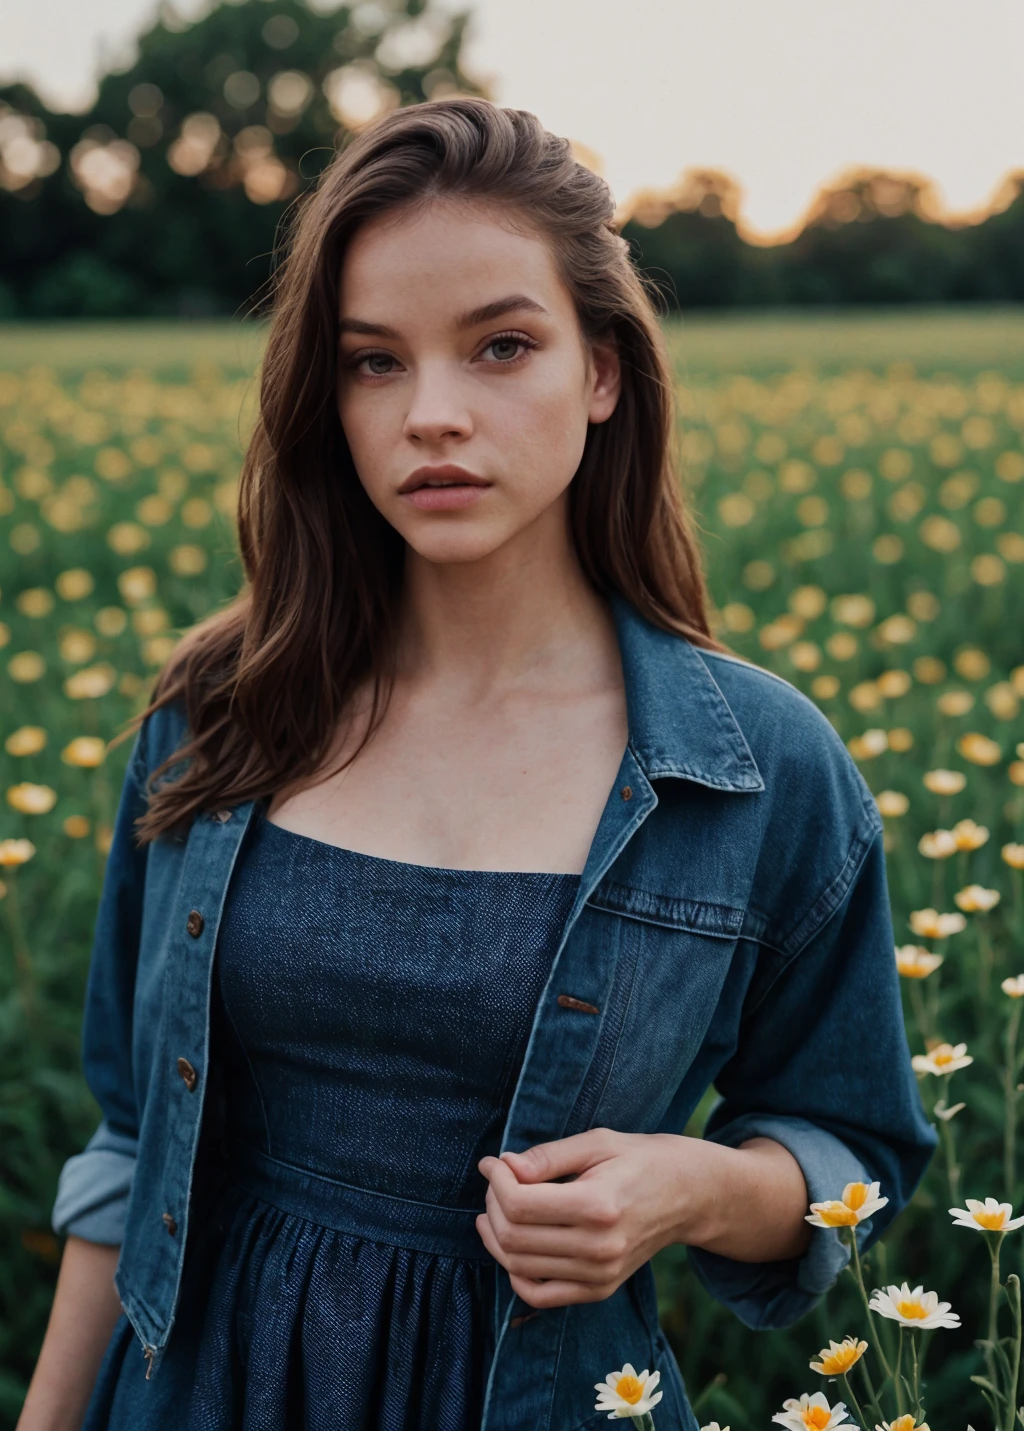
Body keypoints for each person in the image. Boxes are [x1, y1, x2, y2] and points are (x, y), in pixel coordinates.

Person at [18, 99, 936, 1431]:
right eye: (373, 363)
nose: (432, 415)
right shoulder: (223, 712)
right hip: (198, 1391)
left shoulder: (759, 771)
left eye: (501, 347)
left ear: (603, 371)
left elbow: (856, 1146)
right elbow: (125, 1148)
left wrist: (691, 1188)